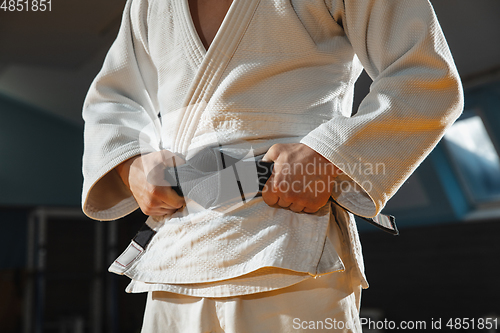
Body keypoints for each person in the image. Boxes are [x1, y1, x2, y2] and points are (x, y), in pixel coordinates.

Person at [82, 0, 463, 331]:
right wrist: (130, 165)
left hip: (288, 248)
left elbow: (425, 76)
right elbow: (111, 101)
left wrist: (329, 155)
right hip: (175, 260)